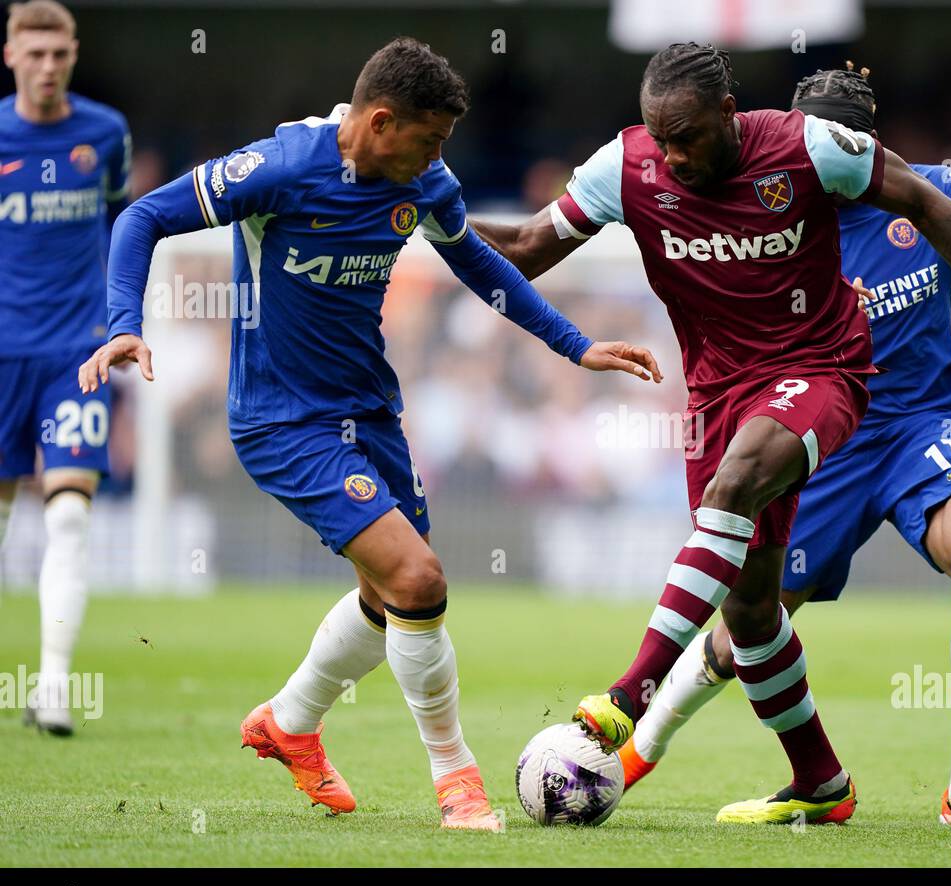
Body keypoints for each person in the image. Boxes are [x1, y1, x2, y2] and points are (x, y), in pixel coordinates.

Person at [472, 43, 951, 824]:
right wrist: (425, 223)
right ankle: (807, 779)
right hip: (752, 410)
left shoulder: (912, 189)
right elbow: (528, 246)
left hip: (892, 414)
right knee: (750, 621)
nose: (673, 154)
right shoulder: (665, 173)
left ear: (863, 150)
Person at [78, 37, 661, 831]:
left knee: (389, 600)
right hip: (282, 420)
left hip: (371, 414)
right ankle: (458, 780)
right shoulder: (282, 168)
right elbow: (143, 216)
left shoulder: (426, 183)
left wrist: (575, 345)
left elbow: (483, 268)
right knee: (419, 580)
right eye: (429, 139)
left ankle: (288, 722)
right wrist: (123, 324)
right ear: (380, 122)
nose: (438, 158)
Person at [0, 0, 131, 736]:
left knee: (71, 514)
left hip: (72, 355)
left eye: (60, 54)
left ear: (74, 54)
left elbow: (122, 221)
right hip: (1, 351)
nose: (48, 67)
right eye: (34, 53)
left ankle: (53, 687)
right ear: (11, 54)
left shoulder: (104, 132)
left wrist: (115, 321)